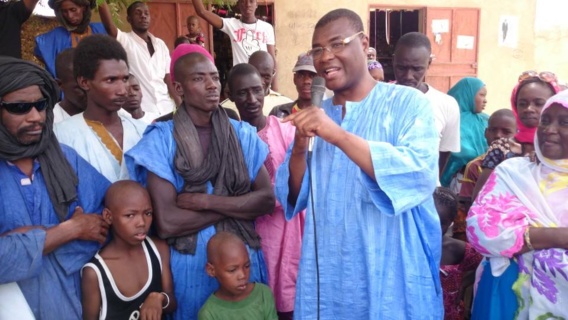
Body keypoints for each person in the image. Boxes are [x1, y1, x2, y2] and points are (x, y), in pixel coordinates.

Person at [276, 9, 442, 319]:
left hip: (392, 271)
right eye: (318, 49)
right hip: (329, 273)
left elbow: (418, 171)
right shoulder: (318, 114)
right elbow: (294, 195)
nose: (326, 57)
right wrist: (300, 146)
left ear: (364, 43)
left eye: (337, 43)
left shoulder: (408, 103)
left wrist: (337, 135)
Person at [125, 46, 275, 319]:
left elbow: (266, 200)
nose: (211, 85)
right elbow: (168, 221)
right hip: (191, 264)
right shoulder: (160, 140)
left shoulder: (241, 134)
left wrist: (207, 201)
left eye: (215, 77)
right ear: (178, 88)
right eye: (198, 79)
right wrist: (238, 205)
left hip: (243, 260)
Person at [0, 56, 110, 319]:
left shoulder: (66, 159)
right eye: (20, 108)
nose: (35, 117)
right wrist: (71, 229)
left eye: (40, 105)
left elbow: (107, 224)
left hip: (71, 305)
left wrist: (23, 241)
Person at [467, 90, 568, 319]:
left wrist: (525, 238)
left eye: (564, 122)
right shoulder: (514, 173)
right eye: (546, 120)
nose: (550, 129)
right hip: (505, 299)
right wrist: (560, 237)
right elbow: (481, 230)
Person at [228, 63, 303, 319]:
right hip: (256, 236)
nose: (251, 99)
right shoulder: (230, 139)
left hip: (294, 232)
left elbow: (303, 182)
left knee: (293, 301)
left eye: (257, 90)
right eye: (242, 93)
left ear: (266, 89)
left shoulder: (287, 131)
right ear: (230, 95)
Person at [54, 34, 147, 183]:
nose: (123, 90)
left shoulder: (143, 131)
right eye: (111, 80)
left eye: (125, 79)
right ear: (84, 82)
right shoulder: (61, 135)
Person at [81, 180, 176, 319]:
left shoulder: (158, 249)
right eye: (130, 215)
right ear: (108, 216)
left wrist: (159, 298)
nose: (142, 223)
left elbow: (172, 303)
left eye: (148, 213)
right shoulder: (95, 273)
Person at [471, 71, 561, 200]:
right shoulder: (502, 148)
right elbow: (480, 197)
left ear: (554, 104)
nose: (529, 108)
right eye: (522, 103)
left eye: (539, 103)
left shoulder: (560, 149)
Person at [393, 32, 461, 180]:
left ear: (429, 64)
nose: (408, 76)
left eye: (417, 69)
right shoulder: (379, 100)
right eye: (401, 68)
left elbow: (443, 154)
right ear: (393, 61)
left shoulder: (447, 105)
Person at [99, 0, 179, 116]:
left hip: (167, 109)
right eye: (138, 13)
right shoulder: (125, 41)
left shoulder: (160, 44)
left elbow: (168, 78)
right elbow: (110, 27)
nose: (143, 16)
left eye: (146, 13)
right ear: (129, 19)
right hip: (142, 112)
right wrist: (100, 2)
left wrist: (179, 103)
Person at [453, 109, 517, 241]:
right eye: (493, 130)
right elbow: (467, 206)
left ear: (517, 134)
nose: (498, 135)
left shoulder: (522, 165)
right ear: (486, 133)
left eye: (506, 132)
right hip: (482, 228)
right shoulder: (475, 166)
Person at [191, 0, 278, 90]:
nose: (247, 5)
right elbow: (201, 11)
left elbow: (272, 59)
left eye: (251, 1)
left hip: (261, 84)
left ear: (256, 4)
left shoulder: (267, 27)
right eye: (243, 2)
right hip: (241, 82)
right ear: (238, 5)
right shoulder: (232, 24)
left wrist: (275, 89)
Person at [198, 231, 278, 320]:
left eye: (246, 266)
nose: (242, 275)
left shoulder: (263, 294)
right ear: (211, 270)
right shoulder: (209, 314)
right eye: (232, 270)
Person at [435, 187, 482, 320]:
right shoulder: (409, 248)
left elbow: (483, 265)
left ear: (451, 222)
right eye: (431, 221)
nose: (435, 228)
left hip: (449, 313)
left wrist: (463, 284)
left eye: (442, 223)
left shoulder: (457, 249)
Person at [35, 0, 106, 78]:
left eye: (73, 10)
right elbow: (41, 55)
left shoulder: (102, 30)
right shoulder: (52, 38)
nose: (70, 16)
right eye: (64, 11)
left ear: (84, 8)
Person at [441, 77, 488, 188]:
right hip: (456, 183)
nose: (485, 100)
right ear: (467, 95)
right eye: (481, 95)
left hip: (483, 181)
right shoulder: (450, 120)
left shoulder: (486, 120)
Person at [222, 51, 292, 117]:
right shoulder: (225, 108)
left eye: (266, 76)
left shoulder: (286, 105)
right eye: (256, 75)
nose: (261, 82)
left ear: (273, 74)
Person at [270, 53, 317, 118]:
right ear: (294, 79)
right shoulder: (278, 113)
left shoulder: (327, 114)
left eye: (312, 76)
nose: (306, 81)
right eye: (301, 75)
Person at [53, 48, 87, 123]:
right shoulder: (51, 124)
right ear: (59, 84)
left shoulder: (113, 115)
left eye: (92, 85)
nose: (88, 91)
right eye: (79, 88)